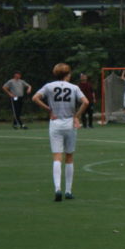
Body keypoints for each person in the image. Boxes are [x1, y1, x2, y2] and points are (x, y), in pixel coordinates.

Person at [32, 63, 89, 201]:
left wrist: (48, 109)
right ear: (68, 74)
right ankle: (68, 191)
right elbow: (86, 102)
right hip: (69, 123)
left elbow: (35, 98)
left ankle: (57, 188)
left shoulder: (49, 86)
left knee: (57, 156)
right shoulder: (74, 87)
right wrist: (77, 116)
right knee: (69, 156)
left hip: (55, 123)